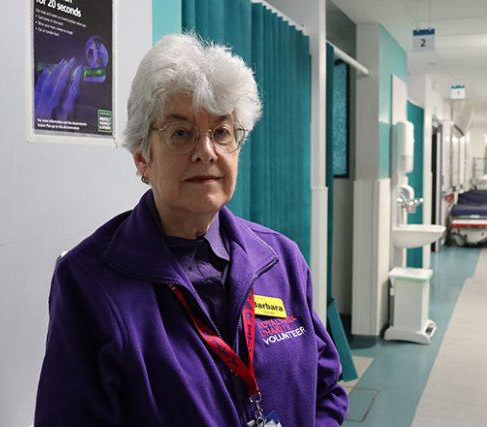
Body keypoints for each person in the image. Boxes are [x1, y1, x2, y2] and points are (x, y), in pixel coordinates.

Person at [34, 33, 348, 427]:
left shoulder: (282, 260)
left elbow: (326, 389)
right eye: (181, 133)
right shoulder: (88, 281)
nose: (207, 151)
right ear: (142, 157)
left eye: (221, 132)